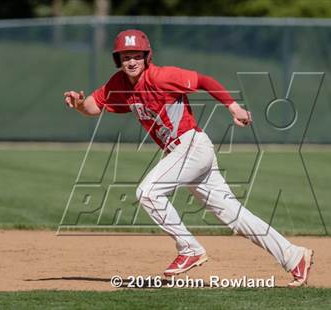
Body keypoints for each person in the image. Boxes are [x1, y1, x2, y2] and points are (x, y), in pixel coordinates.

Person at [64, 29, 314, 287]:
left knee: (148, 192)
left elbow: (204, 81)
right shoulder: (119, 84)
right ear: (118, 59)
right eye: (125, 56)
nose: (131, 61)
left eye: (136, 55)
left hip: (191, 146)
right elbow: (95, 105)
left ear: (146, 56)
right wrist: (80, 104)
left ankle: (189, 249)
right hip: (183, 152)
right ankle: (294, 256)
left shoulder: (161, 77)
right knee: (234, 215)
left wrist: (233, 107)